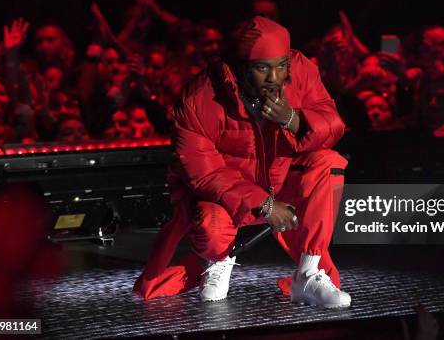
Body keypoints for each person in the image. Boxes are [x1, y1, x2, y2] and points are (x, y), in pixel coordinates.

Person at [134, 16, 351, 309]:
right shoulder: (200, 97)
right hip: (229, 195)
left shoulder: (300, 70)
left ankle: (309, 272)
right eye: (263, 68)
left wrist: (293, 119)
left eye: (281, 65)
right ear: (241, 67)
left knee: (329, 163)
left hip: (283, 180)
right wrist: (263, 203)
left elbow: (334, 126)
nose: (275, 77)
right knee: (209, 229)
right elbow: (204, 173)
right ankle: (218, 260)